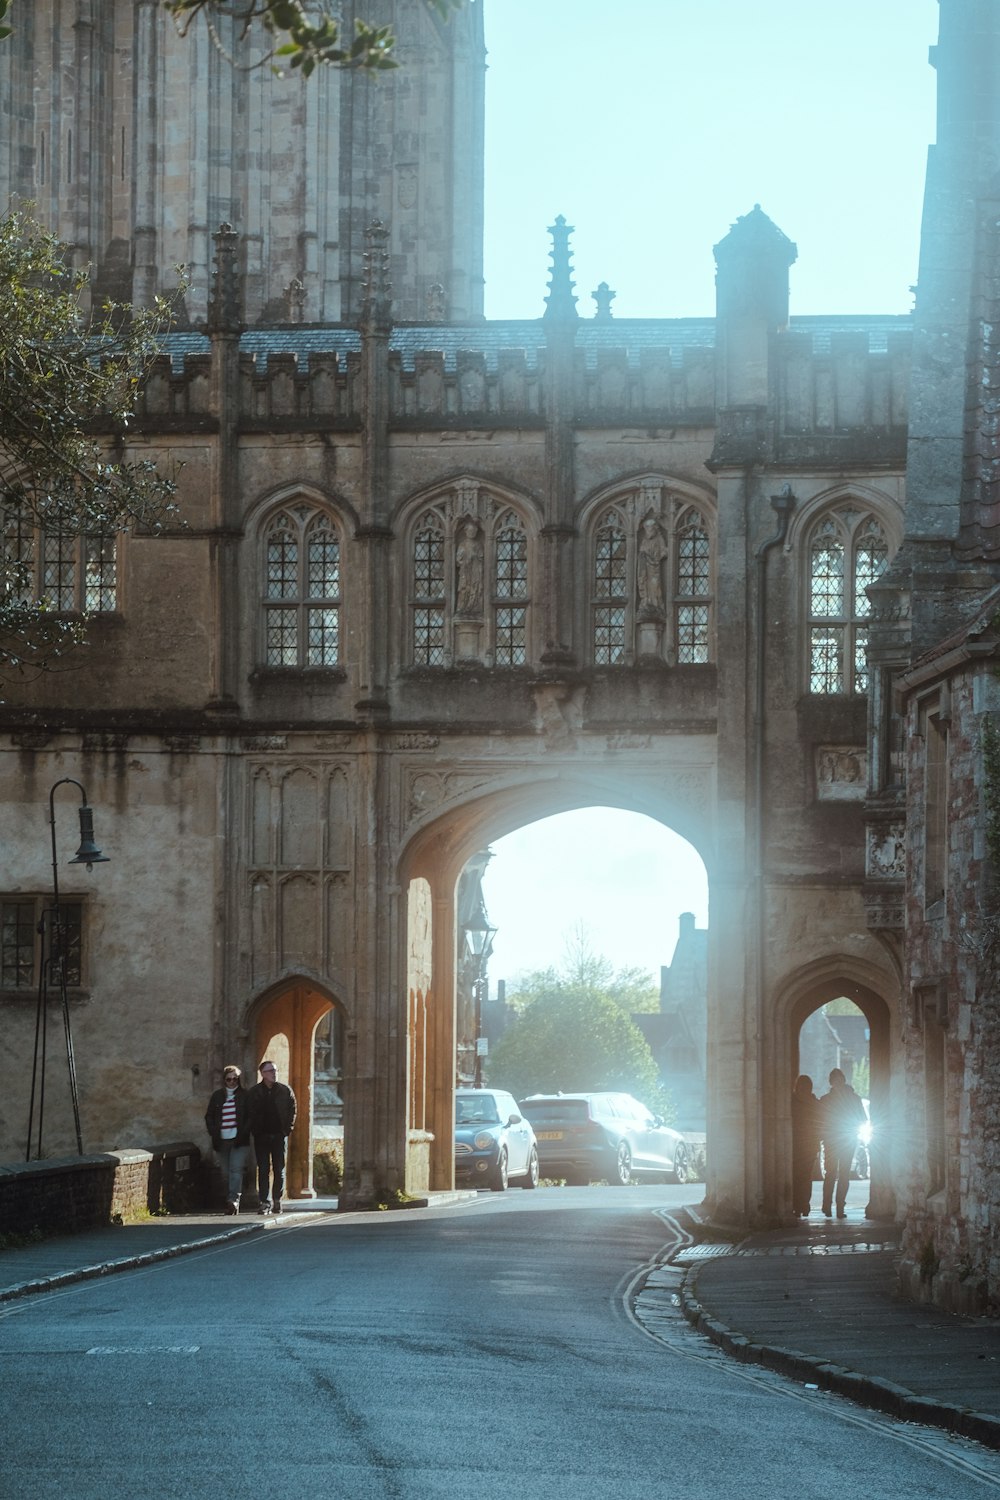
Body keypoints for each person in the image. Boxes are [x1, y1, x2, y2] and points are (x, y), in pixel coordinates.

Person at [248, 1059, 297, 1215]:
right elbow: (249, 1113)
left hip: (278, 1135)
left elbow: (292, 1110)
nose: (274, 1073)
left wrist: (287, 1130)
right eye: (270, 1071)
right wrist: (254, 1130)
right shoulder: (254, 1092)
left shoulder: (285, 1090)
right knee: (263, 1169)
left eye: (275, 1070)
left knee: (279, 1169)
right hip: (261, 1135)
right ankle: (264, 1201)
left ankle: (277, 1200)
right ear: (262, 1073)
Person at [819, 1067, 867, 1219]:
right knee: (841, 1173)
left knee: (832, 1173)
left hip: (834, 1140)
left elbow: (819, 1121)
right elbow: (862, 1119)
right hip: (846, 1139)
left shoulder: (826, 1100)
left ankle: (829, 1205)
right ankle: (837, 1206)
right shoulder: (854, 1099)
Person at [205, 1064, 252, 1215]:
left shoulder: (245, 1096)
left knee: (236, 1170)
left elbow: (250, 1118)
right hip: (222, 1139)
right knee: (225, 1173)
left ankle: (234, 1200)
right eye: (229, 1079)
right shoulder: (217, 1096)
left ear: (239, 1080)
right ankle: (230, 1199)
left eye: (235, 1079)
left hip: (239, 1140)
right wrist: (213, 1132)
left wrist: (244, 1133)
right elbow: (209, 1116)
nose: (232, 1082)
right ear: (224, 1080)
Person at [790, 1074, 821, 1217]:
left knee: (795, 1175)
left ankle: (797, 1205)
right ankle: (804, 1204)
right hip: (809, 1145)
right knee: (805, 1176)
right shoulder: (814, 1103)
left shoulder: (791, 1102)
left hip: (795, 1144)